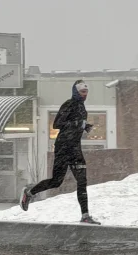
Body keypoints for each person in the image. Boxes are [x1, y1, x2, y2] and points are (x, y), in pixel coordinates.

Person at [21, 80, 100, 222]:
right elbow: (57, 124)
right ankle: (29, 192)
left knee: (82, 182)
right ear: (76, 92)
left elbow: (76, 125)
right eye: (82, 92)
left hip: (75, 149)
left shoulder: (82, 109)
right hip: (63, 147)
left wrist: (84, 126)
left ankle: (85, 216)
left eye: (86, 92)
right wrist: (77, 124)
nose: (85, 95)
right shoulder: (68, 104)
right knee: (56, 182)